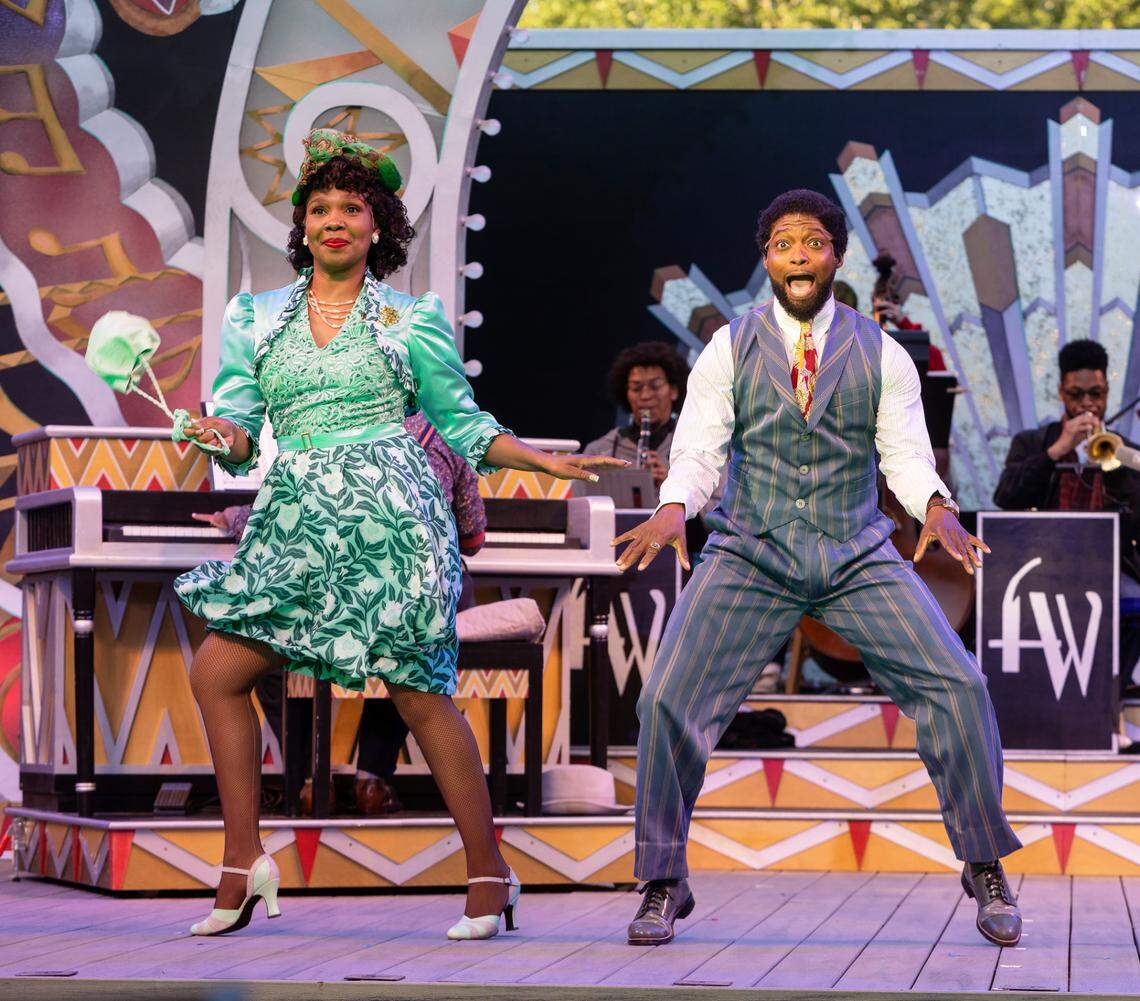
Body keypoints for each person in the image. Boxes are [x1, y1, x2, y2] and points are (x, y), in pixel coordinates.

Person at [175, 128, 621, 941]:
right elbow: (241, 427)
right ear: (302, 226)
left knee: (415, 693)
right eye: (319, 208)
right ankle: (242, 863)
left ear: (379, 226)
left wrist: (538, 459)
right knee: (216, 672)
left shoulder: (409, 318)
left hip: (392, 521)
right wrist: (216, 434)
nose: (333, 220)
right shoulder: (257, 316)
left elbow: (460, 420)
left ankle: (489, 874)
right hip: (299, 519)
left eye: (352, 207)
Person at [613, 189, 1022, 948]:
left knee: (959, 685)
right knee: (667, 695)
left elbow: (902, 449)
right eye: (780, 243)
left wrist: (934, 504)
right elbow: (700, 447)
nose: (796, 254)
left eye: (811, 241)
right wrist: (675, 505)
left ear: (835, 255)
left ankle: (984, 858)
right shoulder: (730, 347)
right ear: (766, 259)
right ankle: (663, 876)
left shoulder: (882, 351)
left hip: (854, 548)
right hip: (752, 547)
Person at [197, 409, 488, 816]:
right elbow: (473, 537)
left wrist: (235, 518)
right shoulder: (450, 431)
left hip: (347, 588)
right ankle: (374, 777)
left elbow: (299, 515)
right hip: (424, 591)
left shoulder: (338, 425)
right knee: (410, 656)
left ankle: (309, 781)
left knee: (265, 642)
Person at [994, 339, 1140, 687]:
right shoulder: (1031, 443)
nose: (1088, 404)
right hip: (1041, 570)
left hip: (1110, 571)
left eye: (1097, 394)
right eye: (1077, 395)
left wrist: (1114, 464)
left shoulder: (1125, 452)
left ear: (1106, 392)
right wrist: (1056, 451)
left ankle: (1115, 691)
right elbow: (1005, 496)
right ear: (1061, 392)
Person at [583, 341, 689, 490]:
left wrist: (676, 491)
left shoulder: (697, 446)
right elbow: (583, 503)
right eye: (636, 388)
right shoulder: (599, 451)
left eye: (655, 386)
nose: (645, 395)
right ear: (625, 394)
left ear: (674, 390)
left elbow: (718, 507)